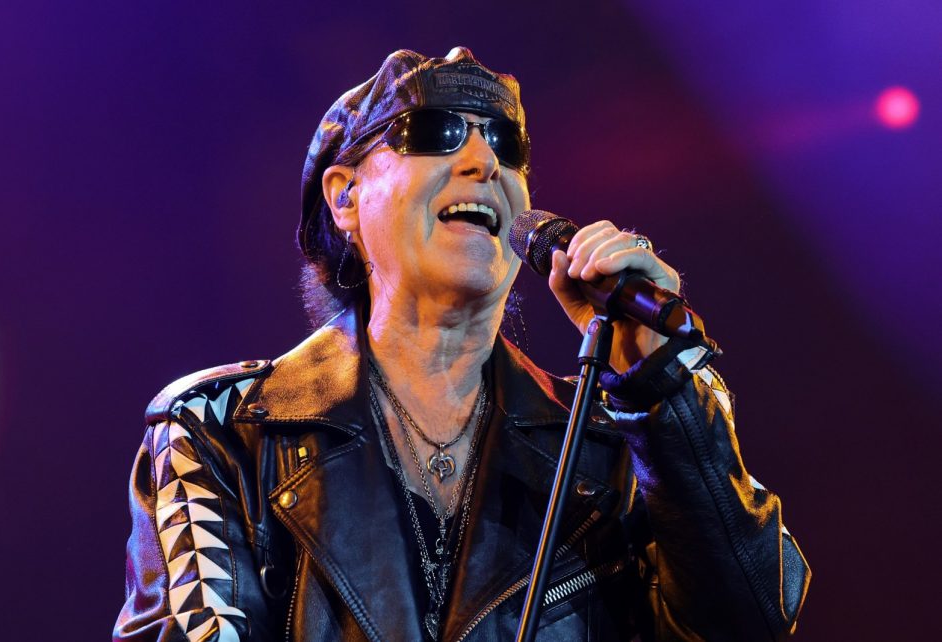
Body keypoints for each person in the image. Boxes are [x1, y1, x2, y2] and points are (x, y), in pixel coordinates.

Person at [114, 47, 810, 641]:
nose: (483, 160)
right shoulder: (221, 430)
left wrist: (661, 393)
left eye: (507, 145)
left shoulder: (614, 441)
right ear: (345, 196)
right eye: (435, 132)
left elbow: (747, 623)